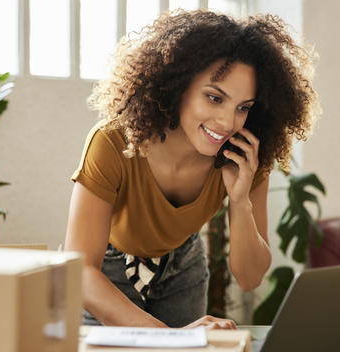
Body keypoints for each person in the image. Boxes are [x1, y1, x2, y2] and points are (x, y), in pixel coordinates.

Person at [65, 9, 319, 329]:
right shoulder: (113, 142)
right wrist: (170, 338)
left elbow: (250, 277)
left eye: (243, 108)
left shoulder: (245, 156)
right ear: (177, 85)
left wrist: (240, 201)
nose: (228, 122)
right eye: (214, 98)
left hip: (183, 264)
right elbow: (82, 270)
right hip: (107, 271)